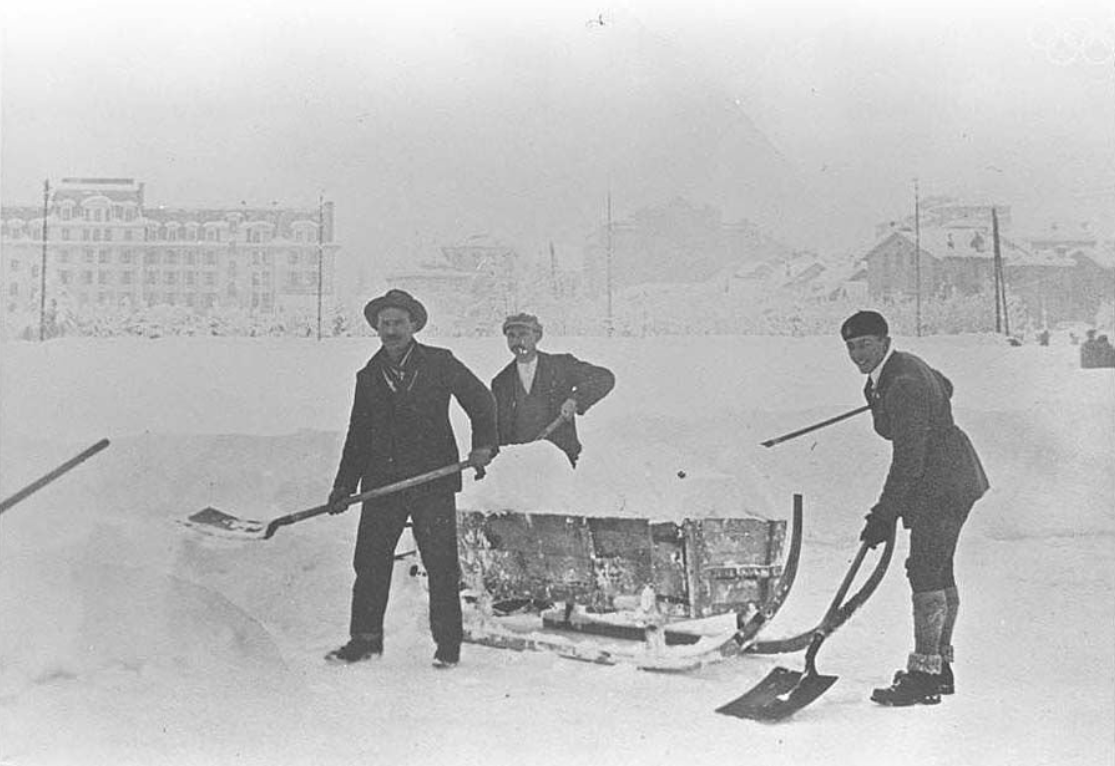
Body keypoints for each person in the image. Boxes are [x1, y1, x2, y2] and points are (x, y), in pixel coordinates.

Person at [325, 289, 498, 668]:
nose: (391, 330)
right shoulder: (369, 375)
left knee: (440, 565)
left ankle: (448, 647)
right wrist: (344, 485)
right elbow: (358, 434)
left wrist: (484, 445)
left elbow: (482, 401)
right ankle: (365, 640)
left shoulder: (440, 362)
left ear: (414, 325)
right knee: (369, 563)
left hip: (432, 482)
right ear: (376, 328)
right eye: (384, 324)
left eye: (398, 323)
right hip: (382, 483)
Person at [841, 310, 989, 707]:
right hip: (953, 474)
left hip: (940, 481)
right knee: (938, 568)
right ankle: (938, 667)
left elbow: (908, 459)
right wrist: (887, 397)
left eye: (865, 345)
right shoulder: (903, 368)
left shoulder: (901, 382)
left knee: (924, 568)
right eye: (852, 348)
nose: (858, 355)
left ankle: (925, 675)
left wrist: (883, 513)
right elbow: (946, 385)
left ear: (884, 341)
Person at [491, 312, 615, 467]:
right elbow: (497, 430)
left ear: (537, 336)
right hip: (522, 467)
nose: (517, 341)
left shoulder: (561, 365)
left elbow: (604, 377)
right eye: (511, 336)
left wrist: (575, 400)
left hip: (560, 462)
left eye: (523, 334)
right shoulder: (501, 382)